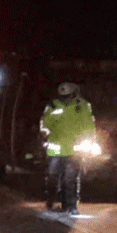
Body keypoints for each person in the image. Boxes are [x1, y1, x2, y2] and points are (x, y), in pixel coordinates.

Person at [40, 81, 96, 216]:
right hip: (56, 148)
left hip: (73, 149)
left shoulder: (82, 106)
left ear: (73, 94)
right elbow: (44, 123)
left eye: (68, 96)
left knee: (70, 178)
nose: (65, 99)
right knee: (53, 176)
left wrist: (91, 140)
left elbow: (89, 124)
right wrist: (44, 135)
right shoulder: (53, 106)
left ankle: (70, 205)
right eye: (63, 96)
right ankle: (51, 200)